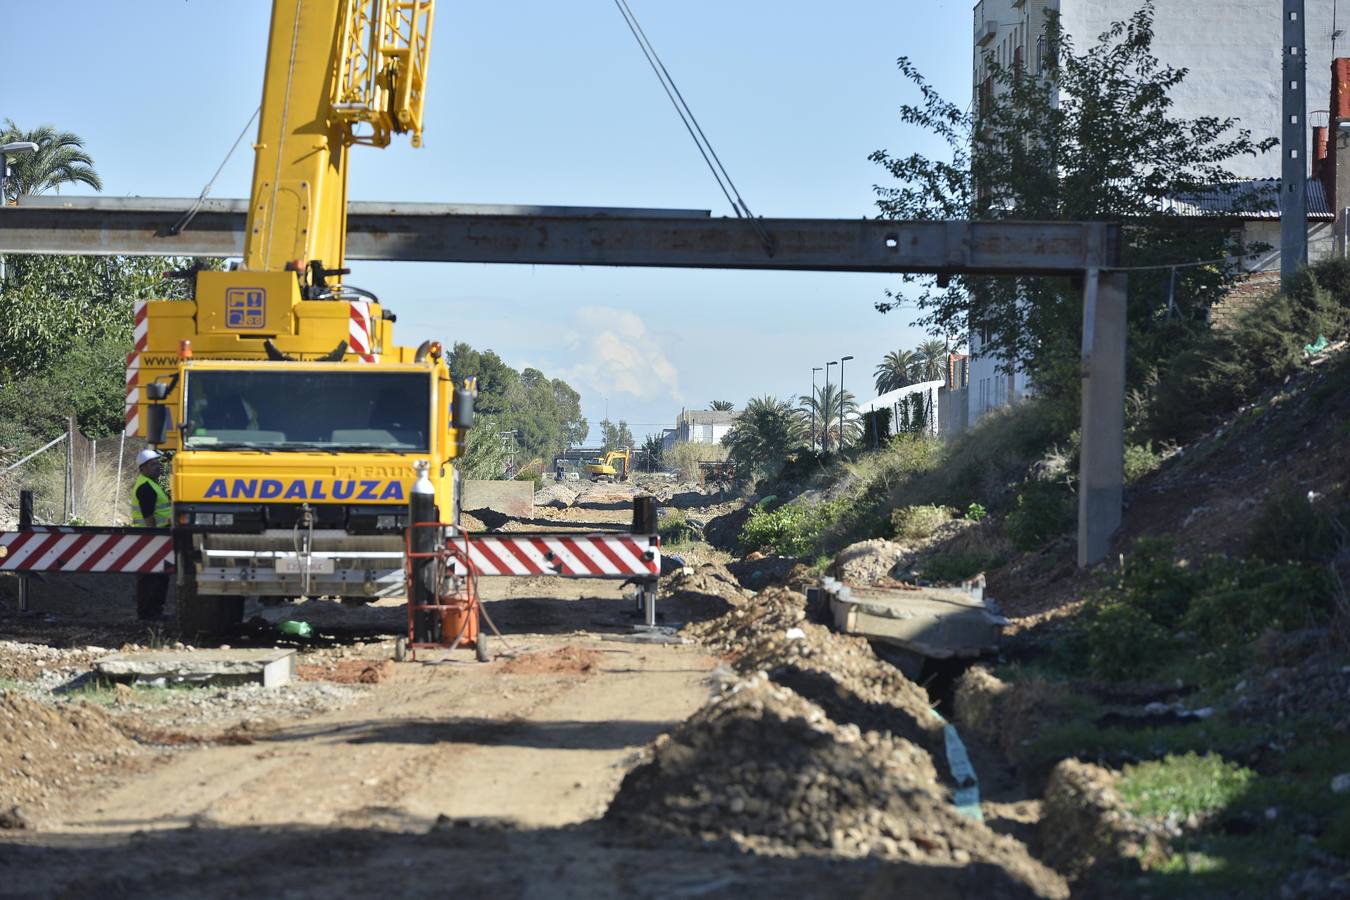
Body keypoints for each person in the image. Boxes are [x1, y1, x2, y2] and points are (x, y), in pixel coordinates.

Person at [131, 448, 171, 621]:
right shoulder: (146, 487)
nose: (157, 467)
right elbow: (148, 516)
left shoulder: (151, 484)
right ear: (142, 468)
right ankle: (148, 613)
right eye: (152, 464)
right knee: (151, 578)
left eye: (158, 463)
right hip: (152, 537)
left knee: (159, 576)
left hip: (157, 536)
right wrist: (154, 535)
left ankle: (154, 612)